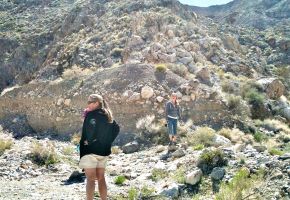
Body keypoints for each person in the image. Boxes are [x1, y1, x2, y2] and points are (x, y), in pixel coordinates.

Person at [79, 94, 120, 200]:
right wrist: (108, 141)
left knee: (90, 179)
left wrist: (90, 141)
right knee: (101, 178)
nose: (87, 104)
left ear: (97, 103)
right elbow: (116, 128)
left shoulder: (91, 115)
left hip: (90, 151)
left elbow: (90, 131)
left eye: (89, 102)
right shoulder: (107, 115)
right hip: (103, 151)